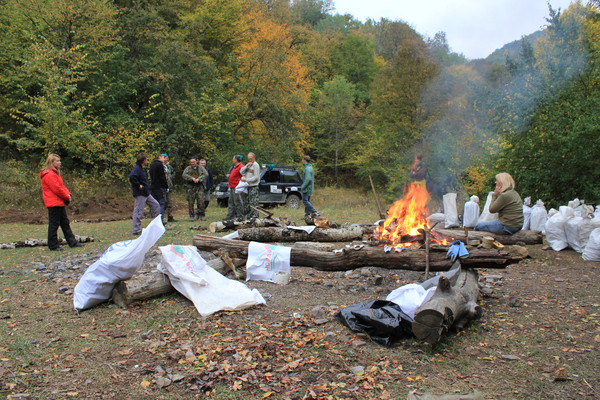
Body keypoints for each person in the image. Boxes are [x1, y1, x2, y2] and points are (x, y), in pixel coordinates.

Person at [40, 154, 84, 251]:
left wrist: (68, 194)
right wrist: (66, 196)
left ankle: (72, 242)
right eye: (57, 161)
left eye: (59, 160)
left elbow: (61, 186)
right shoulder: (49, 175)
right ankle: (53, 245)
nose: (60, 163)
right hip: (53, 202)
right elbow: (57, 189)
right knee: (54, 224)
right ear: (52, 163)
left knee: (64, 222)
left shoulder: (55, 174)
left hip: (58, 202)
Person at [129, 152, 161, 235]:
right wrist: (139, 185)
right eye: (146, 159)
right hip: (140, 193)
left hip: (146, 192)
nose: (147, 161)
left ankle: (155, 225)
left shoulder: (141, 168)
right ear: (143, 160)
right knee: (139, 211)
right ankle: (136, 230)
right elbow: (132, 177)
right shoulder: (137, 168)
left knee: (156, 205)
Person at [182, 156, 208, 221]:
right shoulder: (188, 168)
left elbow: (206, 175)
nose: (192, 163)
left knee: (201, 201)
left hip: (200, 187)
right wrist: (191, 178)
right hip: (191, 187)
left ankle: (201, 215)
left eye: (193, 162)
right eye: (191, 162)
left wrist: (199, 179)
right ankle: (191, 216)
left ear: (197, 161)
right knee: (191, 202)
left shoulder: (201, 168)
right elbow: (184, 175)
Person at [240, 152, 260, 219]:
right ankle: (248, 215)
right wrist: (246, 165)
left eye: (251, 158)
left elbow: (256, 177)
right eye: (248, 159)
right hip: (247, 186)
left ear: (254, 157)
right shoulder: (249, 165)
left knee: (253, 202)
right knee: (247, 202)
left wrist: (247, 180)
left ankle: (255, 215)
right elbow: (241, 171)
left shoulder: (256, 165)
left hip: (253, 186)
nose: (250, 160)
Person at [149, 153, 168, 223]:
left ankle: (155, 218)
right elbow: (162, 177)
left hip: (153, 187)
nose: (164, 159)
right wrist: (166, 186)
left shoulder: (152, 165)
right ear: (159, 157)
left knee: (155, 203)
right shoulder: (160, 165)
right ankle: (160, 220)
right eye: (163, 157)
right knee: (162, 203)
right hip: (159, 187)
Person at [225, 155, 244, 221]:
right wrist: (230, 176)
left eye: (233, 159)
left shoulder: (241, 167)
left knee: (237, 202)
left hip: (237, 187)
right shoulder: (234, 167)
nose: (232, 160)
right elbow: (233, 175)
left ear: (236, 160)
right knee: (231, 201)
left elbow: (243, 176)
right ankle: (230, 215)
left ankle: (240, 216)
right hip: (232, 186)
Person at [163, 155, 176, 222]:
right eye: (165, 158)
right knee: (163, 202)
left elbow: (173, 173)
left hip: (169, 186)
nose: (167, 159)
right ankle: (161, 217)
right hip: (163, 187)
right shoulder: (160, 166)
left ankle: (170, 216)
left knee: (169, 203)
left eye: (168, 158)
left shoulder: (169, 167)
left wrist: (171, 178)